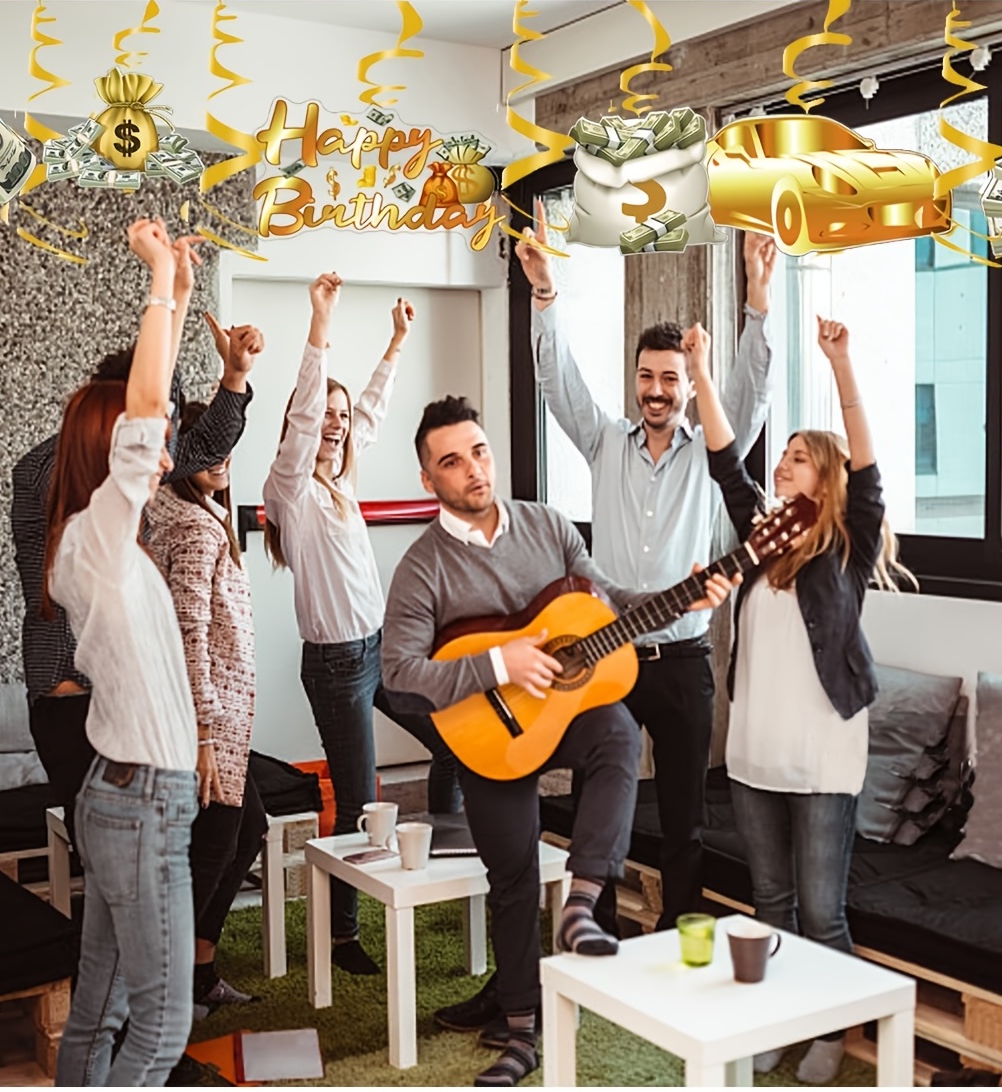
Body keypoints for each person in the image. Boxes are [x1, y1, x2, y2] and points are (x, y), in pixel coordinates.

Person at [381, 395, 738, 1087]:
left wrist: (679, 595)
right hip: (488, 737)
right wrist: (498, 664)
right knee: (512, 880)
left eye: (478, 451)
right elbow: (398, 674)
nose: (473, 470)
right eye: (451, 461)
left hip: (562, 719)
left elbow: (603, 600)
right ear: (430, 481)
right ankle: (520, 1034)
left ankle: (582, 900)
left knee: (613, 728)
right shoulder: (421, 568)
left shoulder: (547, 526)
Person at [513, 201, 778, 941]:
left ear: (688, 388)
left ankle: (678, 937)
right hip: (611, 657)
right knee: (610, 803)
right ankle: (593, 928)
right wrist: (545, 295)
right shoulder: (603, 443)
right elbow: (557, 381)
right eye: (646, 377)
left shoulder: (711, 455)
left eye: (670, 378)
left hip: (687, 658)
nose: (657, 390)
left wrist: (759, 303)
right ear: (634, 381)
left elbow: (751, 393)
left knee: (688, 819)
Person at [691, 316, 913, 1084]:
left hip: (821, 760)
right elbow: (726, 463)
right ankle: (778, 1025)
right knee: (771, 906)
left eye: (796, 459)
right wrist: (698, 368)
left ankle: (829, 1034)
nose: (781, 466)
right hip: (754, 755)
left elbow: (869, 461)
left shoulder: (848, 548)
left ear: (826, 479)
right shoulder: (759, 545)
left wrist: (843, 362)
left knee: (823, 914)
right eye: (781, 457)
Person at [12, 267, 255, 854]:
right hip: (73, 704)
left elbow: (203, 447)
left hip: (123, 700)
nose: (164, 454)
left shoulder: (129, 473)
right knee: (110, 862)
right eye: (153, 421)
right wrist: (168, 292)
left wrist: (234, 377)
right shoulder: (49, 474)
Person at [262, 272, 461, 977]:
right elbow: (309, 417)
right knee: (356, 802)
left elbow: (371, 411)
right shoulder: (290, 490)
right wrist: (321, 322)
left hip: (384, 652)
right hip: (338, 665)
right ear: (303, 421)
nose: (338, 421)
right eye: (326, 413)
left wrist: (398, 340)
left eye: (340, 415)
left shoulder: (341, 484)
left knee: (454, 746)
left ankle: (444, 857)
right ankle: (343, 932)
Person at [50, 219, 203, 1085]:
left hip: (124, 794)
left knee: (101, 1009)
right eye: (147, 437)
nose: (167, 438)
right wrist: (153, 281)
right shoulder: (101, 536)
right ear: (107, 452)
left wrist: (179, 294)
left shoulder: (99, 541)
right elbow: (145, 413)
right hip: (141, 800)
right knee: (159, 1024)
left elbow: (154, 409)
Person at [147, 387, 267, 1018]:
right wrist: (201, 733)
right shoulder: (194, 526)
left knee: (250, 825)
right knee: (214, 846)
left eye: (226, 447)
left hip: (219, 716)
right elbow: (188, 631)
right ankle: (167, 994)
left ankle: (198, 969)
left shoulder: (201, 515)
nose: (220, 458)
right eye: (207, 447)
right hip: (208, 720)